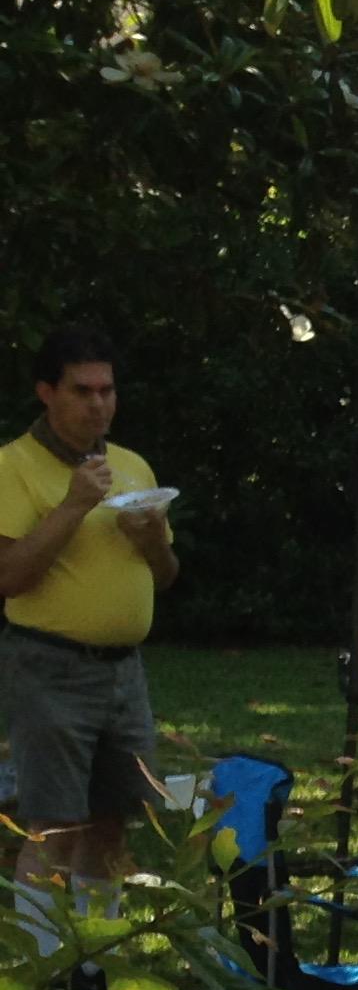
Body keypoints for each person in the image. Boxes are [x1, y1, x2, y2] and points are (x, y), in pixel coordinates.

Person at [1, 325, 176, 914]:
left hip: (124, 674)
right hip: (49, 668)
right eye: (82, 391)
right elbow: (8, 578)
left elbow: (166, 575)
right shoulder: (13, 467)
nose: (98, 404)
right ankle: (40, 983)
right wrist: (75, 504)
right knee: (53, 829)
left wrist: (154, 541)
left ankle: (96, 967)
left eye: (107, 390)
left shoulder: (132, 466)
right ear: (46, 393)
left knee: (112, 826)